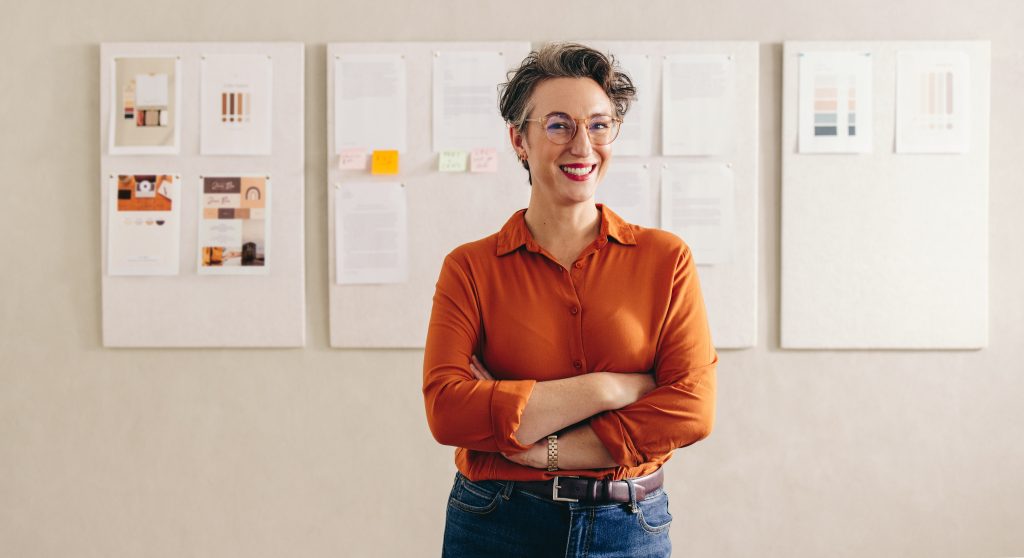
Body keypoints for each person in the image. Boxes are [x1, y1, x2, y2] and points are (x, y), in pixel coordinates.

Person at [422, 42, 717, 558]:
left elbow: (690, 409)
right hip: (496, 522)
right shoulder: (469, 268)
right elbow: (448, 413)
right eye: (559, 125)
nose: (583, 145)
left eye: (600, 125)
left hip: (628, 527)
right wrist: (607, 388)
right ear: (519, 140)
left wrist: (540, 450)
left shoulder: (665, 259)